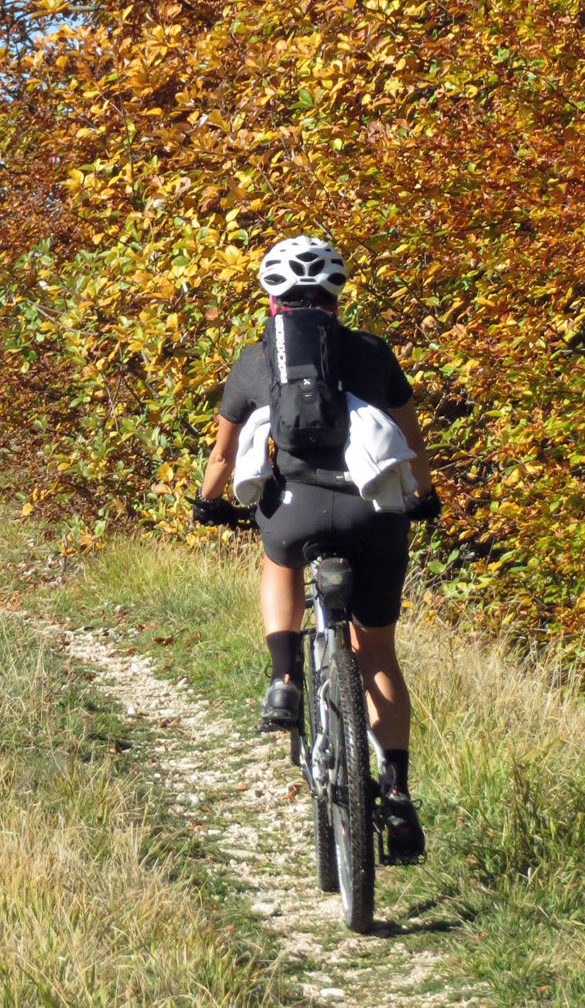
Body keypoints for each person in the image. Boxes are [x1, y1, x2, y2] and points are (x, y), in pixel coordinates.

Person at [191, 235, 440, 861]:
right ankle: (400, 794)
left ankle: (282, 678)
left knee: (277, 557)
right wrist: (426, 497)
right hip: (373, 512)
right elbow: (409, 439)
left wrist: (206, 502)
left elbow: (224, 454)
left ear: (271, 295)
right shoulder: (373, 352)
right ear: (336, 293)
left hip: (294, 510)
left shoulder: (255, 358)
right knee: (377, 653)